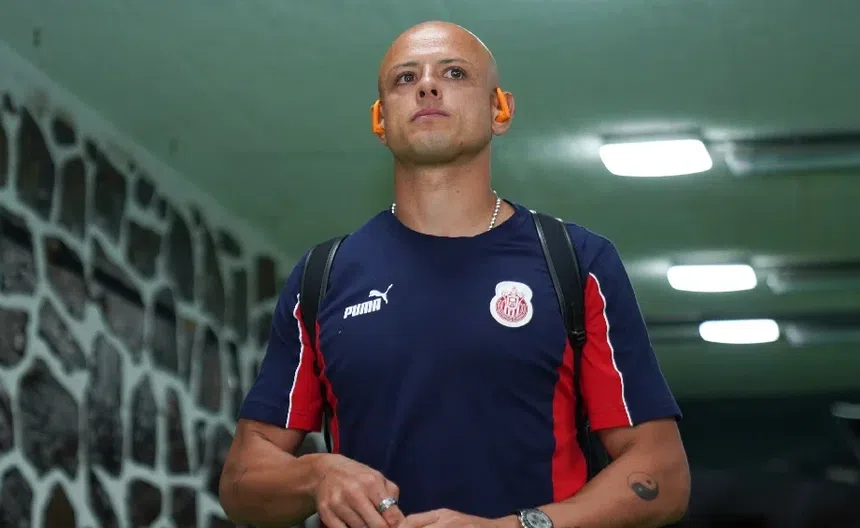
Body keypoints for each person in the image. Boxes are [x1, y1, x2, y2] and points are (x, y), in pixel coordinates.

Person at [219, 20, 690, 528]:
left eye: (454, 73)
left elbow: (662, 473)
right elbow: (242, 479)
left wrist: (514, 527)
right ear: (381, 121)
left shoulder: (577, 263)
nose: (426, 85)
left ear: (499, 109)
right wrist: (317, 475)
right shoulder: (323, 276)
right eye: (405, 78)